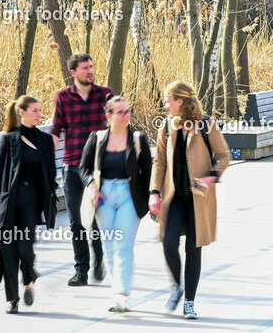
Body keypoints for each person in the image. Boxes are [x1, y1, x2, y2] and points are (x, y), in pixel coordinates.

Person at [149, 81, 231, 320]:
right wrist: (154, 192)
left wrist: (210, 178)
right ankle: (177, 286)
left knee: (193, 250)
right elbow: (160, 162)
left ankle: (189, 303)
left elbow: (224, 156)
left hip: (198, 200)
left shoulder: (206, 124)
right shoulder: (166, 126)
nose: (165, 105)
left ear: (180, 101)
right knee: (168, 244)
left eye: (168, 100)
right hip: (174, 198)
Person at [78, 96, 153, 312]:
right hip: (104, 196)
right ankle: (117, 292)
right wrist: (92, 186)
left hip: (130, 195)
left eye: (127, 111)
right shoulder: (97, 138)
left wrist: (152, 199)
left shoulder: (138, 139)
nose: (125, 116)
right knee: (110, 247)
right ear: (108, 116)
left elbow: (148, 173)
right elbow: (83, 168)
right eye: (119, 112)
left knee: (123, 245)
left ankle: (122, 294)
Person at [0, 96, 58, 314]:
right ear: (22, 112)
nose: (39, 114)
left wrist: (49, 195)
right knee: (8, 252)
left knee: (25, 249)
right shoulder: (10, 139)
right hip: (7, 203)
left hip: (31, 204)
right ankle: (12, 300)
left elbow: (51, 172)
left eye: (40, 110)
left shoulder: (45, 140)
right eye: (35, 110)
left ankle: (28, 277)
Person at [52, 53, 113, 286]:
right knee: (76, 221)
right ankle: (81, 270)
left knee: (96, 219)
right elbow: (57, 130)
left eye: (91, 66)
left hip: (98, 168)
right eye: (85, 68)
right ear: (73, 73)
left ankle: (99, 258)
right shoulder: (63, 97)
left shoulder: (106, 95)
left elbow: (119, 124)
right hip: (72, 167)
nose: (90, 70)